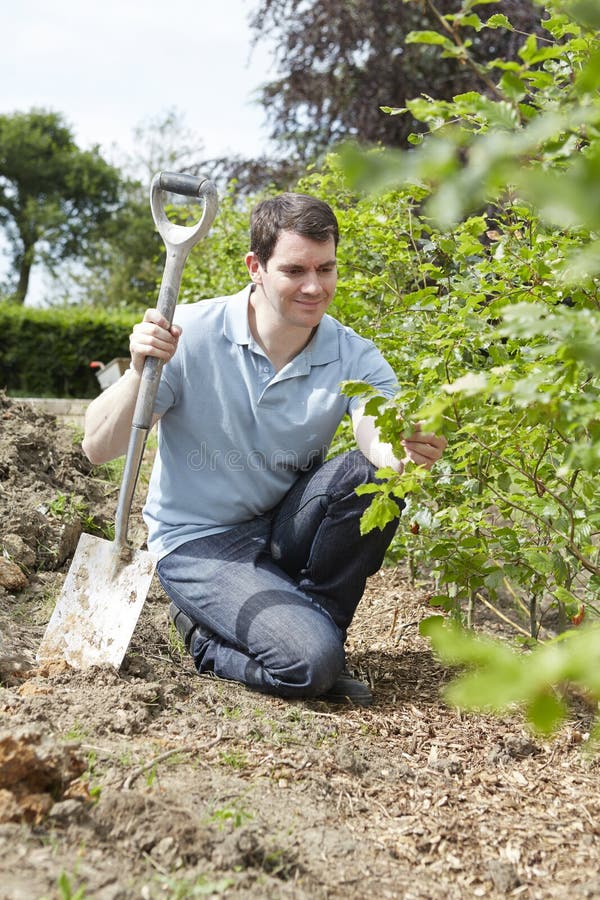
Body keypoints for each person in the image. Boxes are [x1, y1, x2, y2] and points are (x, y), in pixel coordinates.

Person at [82, 192, 446, 706]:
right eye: (295, 270)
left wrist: (399, 454)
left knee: (368, 475)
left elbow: (375, 429)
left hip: (282, 527)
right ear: (255, 267)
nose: (314, 286)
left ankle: (316, 638)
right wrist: (140, 372)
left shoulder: (352, 354)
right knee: (311, 665)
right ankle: (208, 638)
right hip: (200, 540)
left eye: (326, 268)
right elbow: (97, 447)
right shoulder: (190, 334)